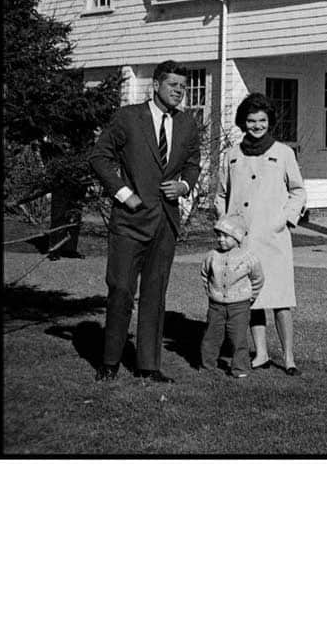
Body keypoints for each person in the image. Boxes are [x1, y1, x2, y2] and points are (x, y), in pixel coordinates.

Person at [89, 60, 201, 382]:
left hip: (165, 222)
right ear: (155, 85)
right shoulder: (128, 118)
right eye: (173, 86)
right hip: (130, 221)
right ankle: (110, 361)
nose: (179, 92)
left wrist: (185, 185)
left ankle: (148, 366)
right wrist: (124, 193)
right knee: (122, 290)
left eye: (182, 87)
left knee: (155, 294)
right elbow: (99, 157)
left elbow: (192, 164)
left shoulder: (187, 124)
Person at [217, 93, 306, 375]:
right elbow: (221, 194)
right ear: (243, 122)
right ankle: (261, 353)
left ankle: (289, 357)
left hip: (273, 237)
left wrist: (284, 219)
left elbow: (298, 191)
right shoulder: (231, 155)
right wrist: (226, 224)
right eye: (251, 120)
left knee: (280, 299)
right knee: (251, 298)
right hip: (242, 240)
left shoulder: (283, 153)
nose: (256, 126)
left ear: (270, 122)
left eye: (262, 120)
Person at [199, 212, 264, 379]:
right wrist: (211, 292)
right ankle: (207, 365)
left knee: (238, 337)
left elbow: (258, 278)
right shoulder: (212, 256)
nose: (221, 239)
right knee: (211, 336)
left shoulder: (248, 257)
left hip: (240, 305)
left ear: (237, 238)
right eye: (219, 235)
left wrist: (250, 296)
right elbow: (205, 275)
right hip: (216, 305)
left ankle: (240, 368)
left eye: (226, 236)